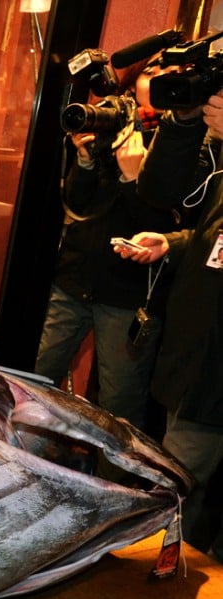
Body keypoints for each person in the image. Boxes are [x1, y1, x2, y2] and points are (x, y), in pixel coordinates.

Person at [34, 73, 181, 434]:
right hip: (74, 278)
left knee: (120, 409)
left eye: (153, 107)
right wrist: (84, 160)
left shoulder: (182, 147)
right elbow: (81, 204)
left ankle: (113, 484)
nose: (142, 114)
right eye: (138, 100)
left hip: (127, 294)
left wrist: (134, 180)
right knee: (33, 379)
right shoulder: (115, 127)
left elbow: (164, 232)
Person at [115, 88, 223, 562]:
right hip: (196, 356)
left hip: (215, 374)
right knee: (184, 489)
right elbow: (212, 234)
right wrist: (174, 244)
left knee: (170, 487)